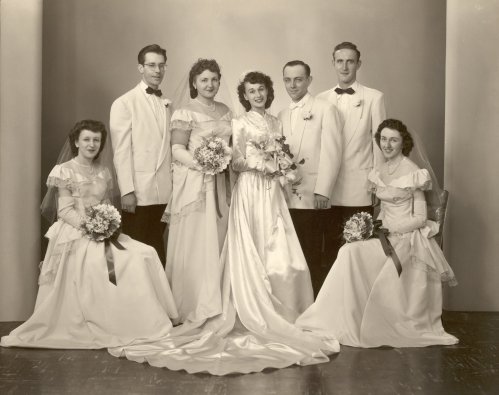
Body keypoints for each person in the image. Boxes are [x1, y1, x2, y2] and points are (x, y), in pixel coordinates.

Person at [108, 72, 339, 375]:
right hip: (243, 186)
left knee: (278, 246)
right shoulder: (239, 121)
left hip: (271, 191)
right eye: (251, 91)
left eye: (261, 90)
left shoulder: (275, 121)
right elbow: (238, 160)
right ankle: (200, 305)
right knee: (223, 245)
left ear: (268, 92)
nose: (256, 95)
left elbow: (276, 152)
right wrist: (262, 163)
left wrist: (280, 164)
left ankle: (286, 307)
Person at [1, 120, 178, 349]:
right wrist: (91, 227)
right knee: (124, 261)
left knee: (146, 251)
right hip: (76, 232)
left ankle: (149, 319)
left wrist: (108, 225)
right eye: (86, 139)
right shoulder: (64, 170)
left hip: (103, 229)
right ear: (76, 142)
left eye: (96, 140)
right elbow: (64, 211)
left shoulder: (103, 172)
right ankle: (118, 320)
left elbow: (105, 204)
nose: (92, 144)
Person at [296, 119, 458, 348]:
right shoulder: (379, 170)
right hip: (384, 234)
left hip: (407, 239)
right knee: (348, 251)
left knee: (352, 254)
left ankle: (371, 319)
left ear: (404, 142)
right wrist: (370, 227)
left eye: (393, 140)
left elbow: (420, 218)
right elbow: (383, 209)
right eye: (383, 139)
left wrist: (390, 230)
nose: (387, 145)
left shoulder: (413, 172)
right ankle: (340, 316)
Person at [163, 59, 232, 323]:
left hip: (221, 183)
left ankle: (216, 300)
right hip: (195, 183)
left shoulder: (226, 111)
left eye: (214, 79)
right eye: (204, 80)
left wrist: (221, 163)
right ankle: (191, 302)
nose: (210, 84)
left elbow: (232, 145)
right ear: (194, 83)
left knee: (218, 235)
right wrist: (204, 163)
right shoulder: (184, 112)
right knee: (195, 239)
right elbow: (177, 149)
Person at [317, 42, 386, 263]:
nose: (345, 67)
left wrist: (378, 182)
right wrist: (319, 186)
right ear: (333, 64)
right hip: (329, 188)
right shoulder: (320, 99)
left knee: (357, 249)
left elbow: (380, 143)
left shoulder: (374, 97)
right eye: (340, 61)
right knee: (329, 248)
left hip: (360, 186)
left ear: (358, 64)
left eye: (350, 61)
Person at [278, 60, 342, 294]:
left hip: (313, 195)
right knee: (293, 254)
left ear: (309, 80)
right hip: (286, 197)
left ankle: (316, 303)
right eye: (287, 79)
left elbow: (332, 152)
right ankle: (298, 302)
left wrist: (323, 190)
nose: (292, 85)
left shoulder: (325, 109)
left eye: (298, 79)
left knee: (314, 252)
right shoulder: (282, 114)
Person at [109, 44, 172, 265]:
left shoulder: (167, 104)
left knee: (157, 249)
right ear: (140, 68)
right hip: (138, 193)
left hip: (164, 193)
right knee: (136, 251)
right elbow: (121, 151)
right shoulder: (124, 103)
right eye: (152, 65)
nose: (157, 70)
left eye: (162, 65)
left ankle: (158, 298)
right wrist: (127, 191)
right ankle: (137, 298)